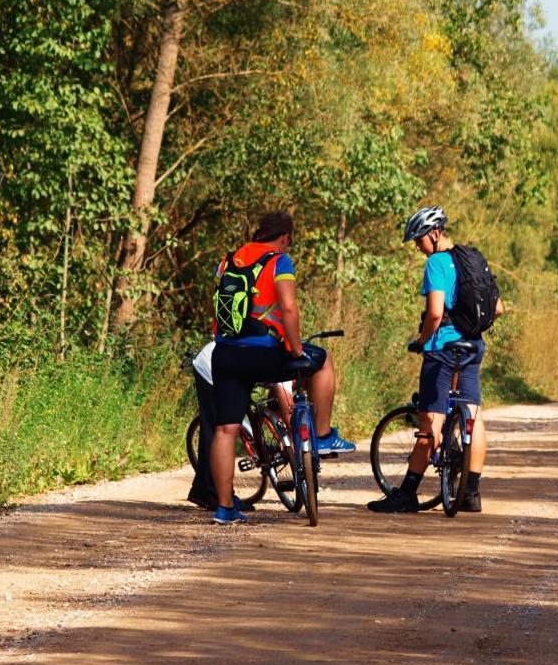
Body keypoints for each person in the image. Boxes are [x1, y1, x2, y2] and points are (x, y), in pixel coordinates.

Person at [209, 211, 355, 525]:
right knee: (323, 361)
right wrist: (296, 347)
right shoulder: (279, 262)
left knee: (225, 430)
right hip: (264, 355)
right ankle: (325, 433)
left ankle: (224, 508)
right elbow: (288, 307)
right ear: (285, 237)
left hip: (225, 353)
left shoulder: (228, 261)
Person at [368, 206, 503, 514]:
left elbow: (435, 313)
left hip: (443, 348)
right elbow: (498, 308)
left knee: (431, 422)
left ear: (435, 233)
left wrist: (422, 340)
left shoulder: (437, 263)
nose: (418, 247)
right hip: (473, 346)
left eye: (419, 240)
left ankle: (407, 494)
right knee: (473, 416)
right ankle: (470, 494)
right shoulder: (475, 259)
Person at [186, 340, 293, 510]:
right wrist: (295, 443)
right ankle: (213, 495)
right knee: (218, 429)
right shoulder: (285, 366)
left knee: (227, 424)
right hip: (211, 368)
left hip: (233, 362)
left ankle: (202, 488)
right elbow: (288, 409)